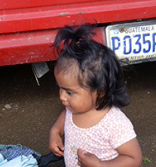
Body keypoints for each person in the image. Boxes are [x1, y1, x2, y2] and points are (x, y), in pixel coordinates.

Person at [47, 24, 143, 167]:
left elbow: (134, 158)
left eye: (69, 92)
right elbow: (64, 119)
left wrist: (100, 165)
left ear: (100, 92)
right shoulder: (72, 109)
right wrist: (55, 132)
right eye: (60, 88)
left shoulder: (114, 123)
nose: (62, 96)